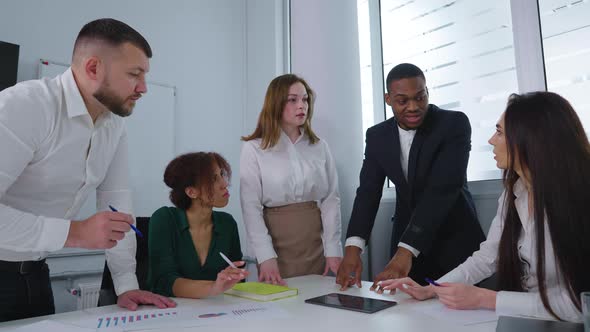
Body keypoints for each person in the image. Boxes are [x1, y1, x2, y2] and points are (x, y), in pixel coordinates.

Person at [0, 18, 175, 321]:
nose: (144, 88)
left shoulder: (114, 125)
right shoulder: (24, 106)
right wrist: (74, 233)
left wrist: (125, 285)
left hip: (36, 275)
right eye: (134, 74)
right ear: (93, 68)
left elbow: (117, 203)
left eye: (145, 75)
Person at [378, 91, 590, 322]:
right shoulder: (514, 192)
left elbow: (582, 305)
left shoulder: (580, 200)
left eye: (499, 132)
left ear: (529, 139)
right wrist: (432, 289)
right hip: (534, 321)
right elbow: (488, 256)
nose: (491, 140)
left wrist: (486, 298)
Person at [336, 63, 485, 291]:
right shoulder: (377, 136)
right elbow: (368, 192)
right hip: (406, 242)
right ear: (388, 99)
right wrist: (352, 249)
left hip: (454, 238)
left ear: (427, 92)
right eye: (402, 101)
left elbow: (442, 190)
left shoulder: (453, 124)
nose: (413, 107)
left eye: (420, 97)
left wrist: (405, 251)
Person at [240, 74, 342, 285]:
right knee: (282, 309)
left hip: (315, 243)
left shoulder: (320, 146)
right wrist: (265, 256)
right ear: (276, 103)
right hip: (275, 246)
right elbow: (250, 207)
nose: (301, 105)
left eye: (305, 99)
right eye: (293, 99)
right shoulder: (254, 148)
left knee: (319, 304)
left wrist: (333, 248)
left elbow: (331, 199)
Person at [147, 152, 248, 298]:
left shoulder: (227, 223)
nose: (225, 184)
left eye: (222, 174)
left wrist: (232, 279)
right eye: (214, 179)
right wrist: (213, 287)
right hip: (170, 312)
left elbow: (238, 280)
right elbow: (164, 282)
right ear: (191, 192)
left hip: (218, 311)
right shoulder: (164, 219)